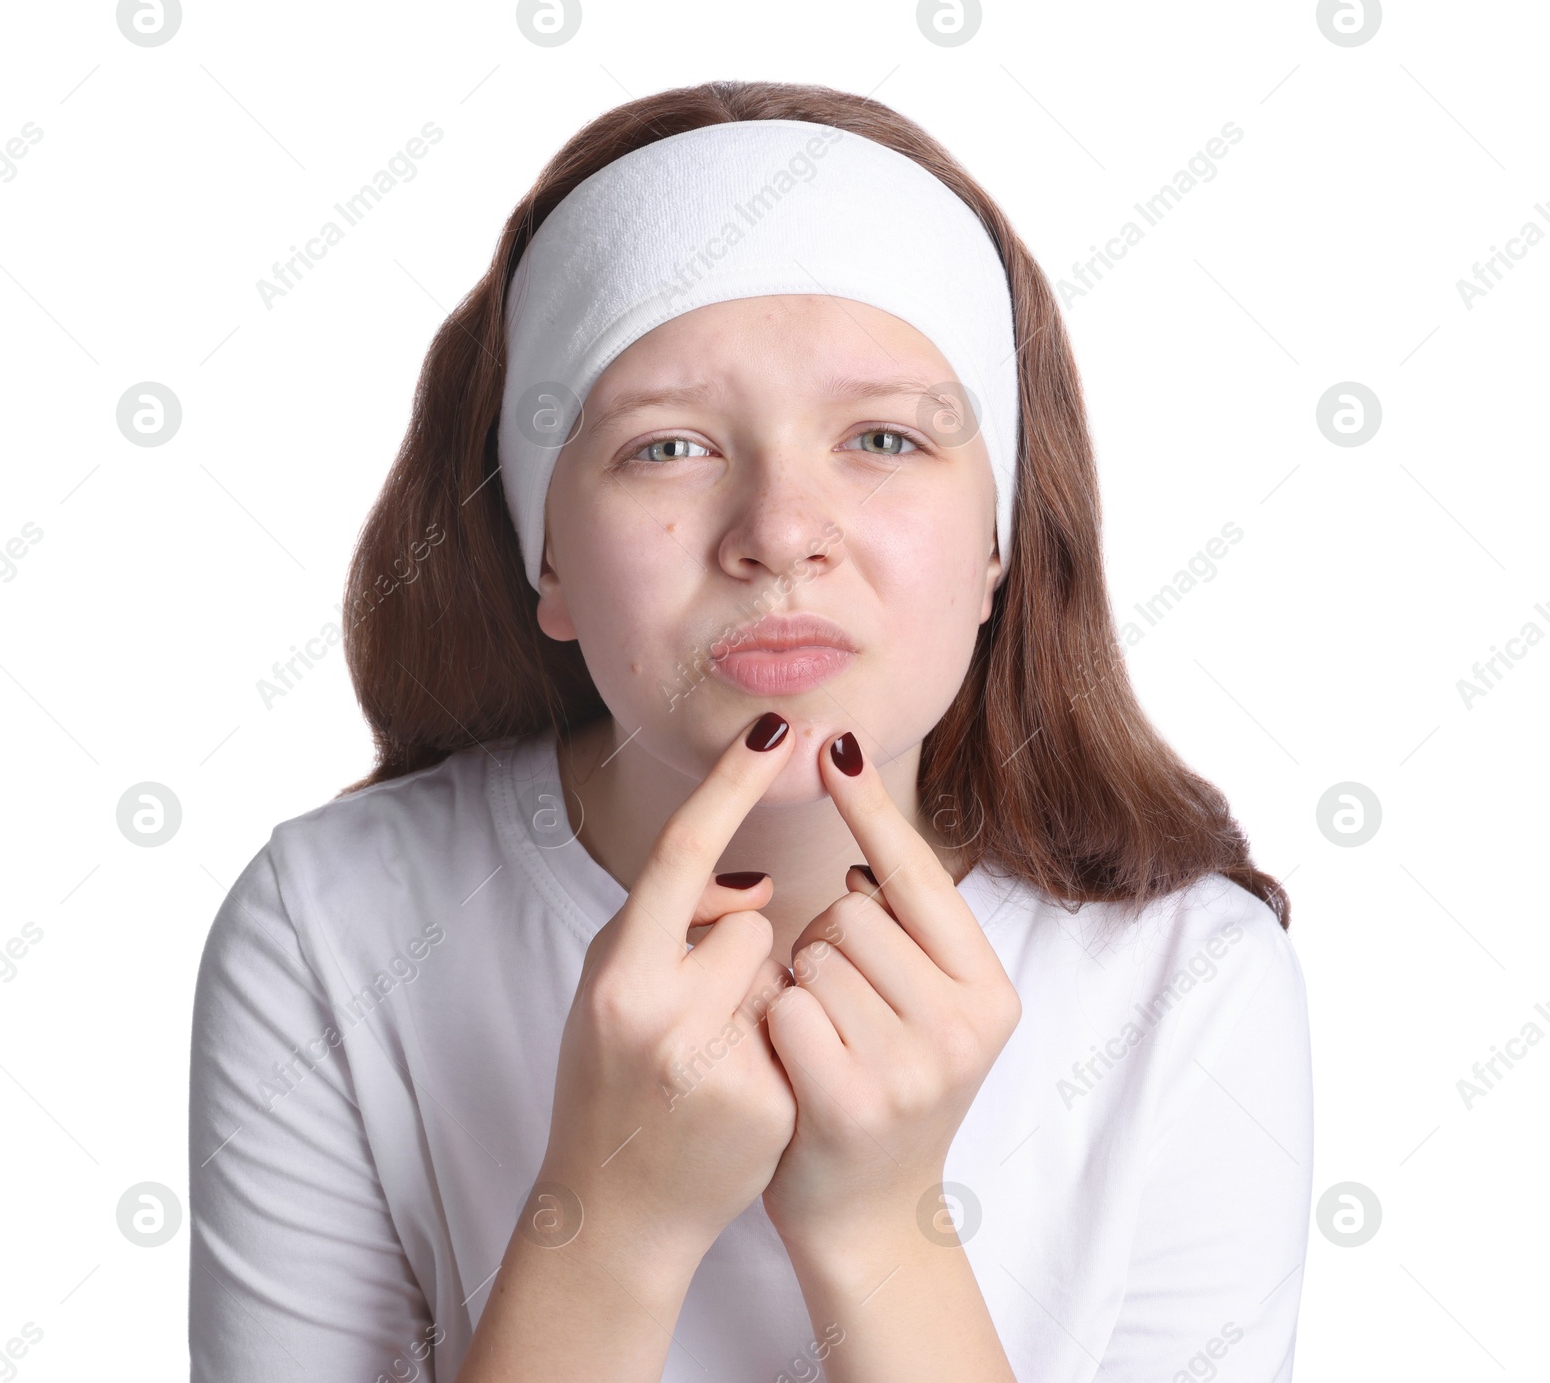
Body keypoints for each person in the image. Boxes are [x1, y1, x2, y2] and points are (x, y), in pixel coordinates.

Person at [188, 80, 1312, 1383]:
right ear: (543, 556)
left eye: (884, 437)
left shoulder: (1186, 978)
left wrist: (885, 1230)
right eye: (666, 449)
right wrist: (608, 1227)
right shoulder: (333, 924)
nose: (780, 530)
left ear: (999, 541)